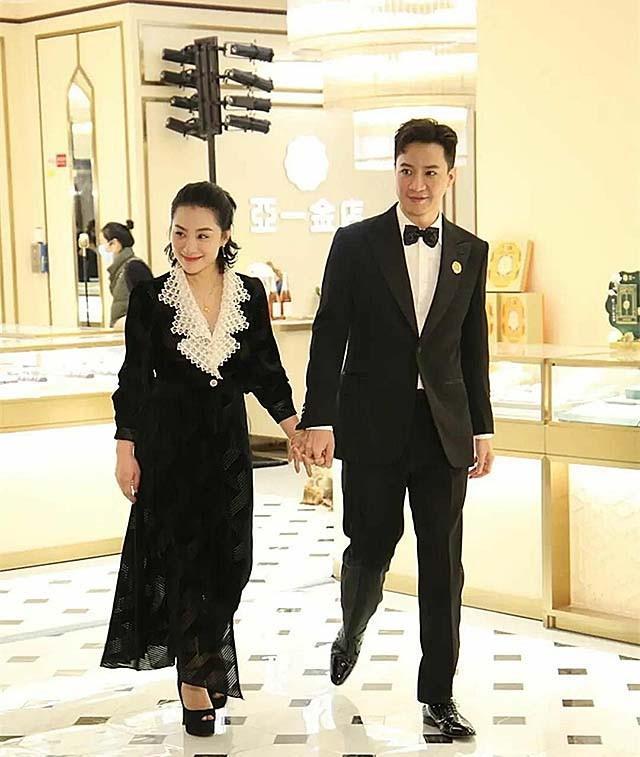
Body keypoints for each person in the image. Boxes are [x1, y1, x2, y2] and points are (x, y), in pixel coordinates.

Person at [293, 118, 495, 740]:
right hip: (372, 426)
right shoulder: (355, 244)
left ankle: (439, 697)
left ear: (450, 177)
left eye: (430, 172)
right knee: (369, 547)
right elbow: (330, 333)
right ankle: (352, 628)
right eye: (407, 170)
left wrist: (482, 427)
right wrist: (319, 416)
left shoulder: (470, 251)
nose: (417, 183)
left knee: (443, 564)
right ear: (396, 170)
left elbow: (472, 346)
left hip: (442, 430)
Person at [101, 182, 302, 737]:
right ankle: (194, 679)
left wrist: (293, 427)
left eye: (202, 235)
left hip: (228, 446)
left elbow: (265, 369)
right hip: (169, 447)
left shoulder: (249, 293)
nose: (189, 246)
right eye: (180, 233)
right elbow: (134, 379)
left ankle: (203, 656)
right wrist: (125, 448)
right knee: (184, 562)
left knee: (232, 562)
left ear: (225, 237)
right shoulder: (150, 297)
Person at [100, 219, 153, 329]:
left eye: (102, 243)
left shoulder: (135, 267)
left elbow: (150, 306)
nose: (101, 248)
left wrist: (127, 322)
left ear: (114, 244)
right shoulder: (119, 269)